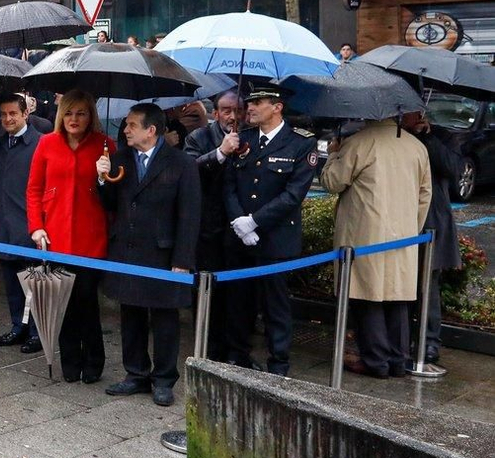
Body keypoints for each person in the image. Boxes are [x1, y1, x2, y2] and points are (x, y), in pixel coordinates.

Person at [97, 103, 200, 406]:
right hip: (128, 249)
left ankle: (164, 378)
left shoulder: (181, 164)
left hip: (163, 252)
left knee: (165, 318)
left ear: (151, 130)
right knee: (131, 314)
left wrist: (182, 260)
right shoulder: (119, 158)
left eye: (131, 125)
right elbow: (110, 203)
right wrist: (102, 178)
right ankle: (136, 374)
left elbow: (189, 215)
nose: (125, 130)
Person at [323, 118, 432, 379]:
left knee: (366, 296)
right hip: (404, 235)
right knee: (397, 297)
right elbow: (425, 194)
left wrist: (332, 155)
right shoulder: (416, 146)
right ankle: (397, 359)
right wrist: (411, 228)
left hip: (364, 233)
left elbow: (332, 182)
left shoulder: (359, 143)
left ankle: (376, 361)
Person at [223, 84, 318, 376]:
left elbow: (293, 194)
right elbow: (228, 185)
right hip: (241, 236)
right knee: (239, 301)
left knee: (275, 304)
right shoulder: (243, 138)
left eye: (258, 102)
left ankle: (278, 362)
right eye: (249, 102)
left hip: (275, 237)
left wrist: (255, 221)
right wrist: (240, 221)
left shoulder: (300, 142)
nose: (249, 107)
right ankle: (237, 354)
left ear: (277, 107)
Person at [26, 89, 112, 383]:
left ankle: (94, 361)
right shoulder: (46, 143)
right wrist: (36, 226)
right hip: (56, 237)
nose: (74, 119)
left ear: (91, 116)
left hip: (91, 237)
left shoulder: (105, 145)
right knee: (61, 302)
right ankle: (69, 361)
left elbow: (114, 192)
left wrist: (104, 176)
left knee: (87, 302)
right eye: (69, 113)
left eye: (81, 113)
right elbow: (34, 189)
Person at [185, 91, 245, 361]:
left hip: (241, 229)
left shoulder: (251, 137)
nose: (232, 116)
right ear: (215, 112)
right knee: (206, 293)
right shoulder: (199, 137)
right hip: (207, 229)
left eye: (238, 110)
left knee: (237, 296)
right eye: (226, 110)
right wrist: (220, 152)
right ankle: (208, 349)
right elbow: (190, 171)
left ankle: (236, 349)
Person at [405, 110, 459, 370]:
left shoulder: (442, 136)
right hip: (401, 219)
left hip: (432, 221)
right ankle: (402, 340)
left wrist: (427, 138)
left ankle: (429, 342)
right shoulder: (397, 135)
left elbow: (452, 168)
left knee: (429, 285)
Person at [0, 94, 43, 353]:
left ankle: (35, 331)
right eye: (3, 114)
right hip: (3, 222)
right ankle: (17, 326)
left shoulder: (40, 143)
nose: (8, 119)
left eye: (13, 113)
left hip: (28, 223)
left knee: (32, 282)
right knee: (11, 282)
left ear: (25, 114)